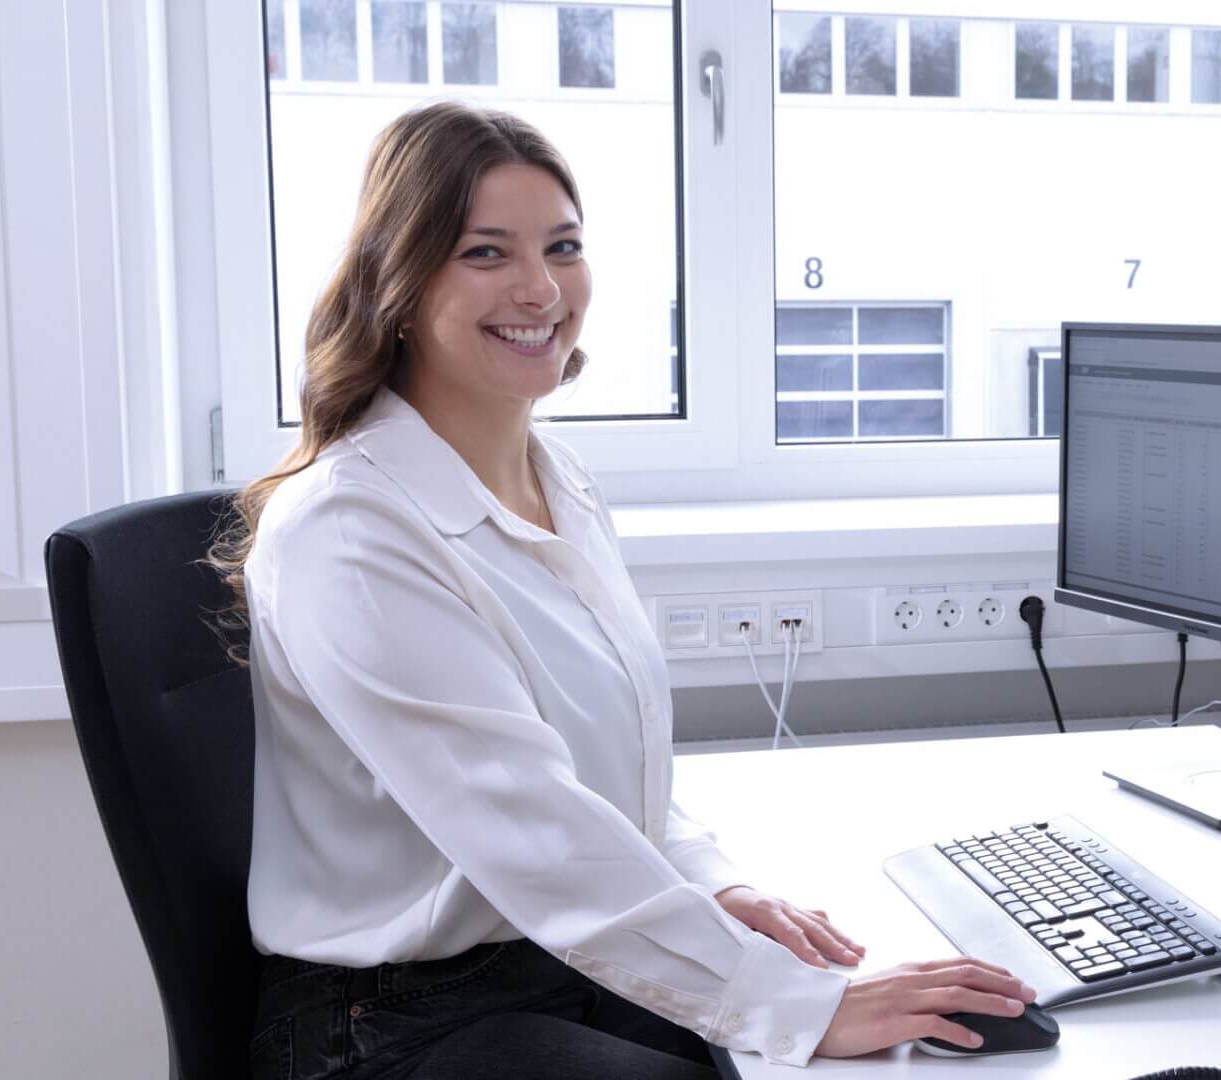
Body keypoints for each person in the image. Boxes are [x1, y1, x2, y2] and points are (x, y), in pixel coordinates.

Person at [206, 102, 1033, 1080]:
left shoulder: (558, 480)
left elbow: (604, 774)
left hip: (547, 955)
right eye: (485, 253)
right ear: (400, 279)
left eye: (564, 246)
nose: (541, 288)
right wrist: (802, 1007)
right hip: (385, 1023)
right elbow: (530, 830)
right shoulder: (350, 532)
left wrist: (710, 888)